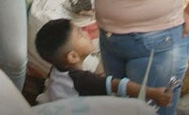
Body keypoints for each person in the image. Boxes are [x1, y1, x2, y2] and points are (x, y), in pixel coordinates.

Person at [35, 18, 173, 106]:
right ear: (73, 57)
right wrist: (152, 93)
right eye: (80, 34)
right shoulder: (82, 80)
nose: (85, 32)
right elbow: (117, 85)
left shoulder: (56, 70)